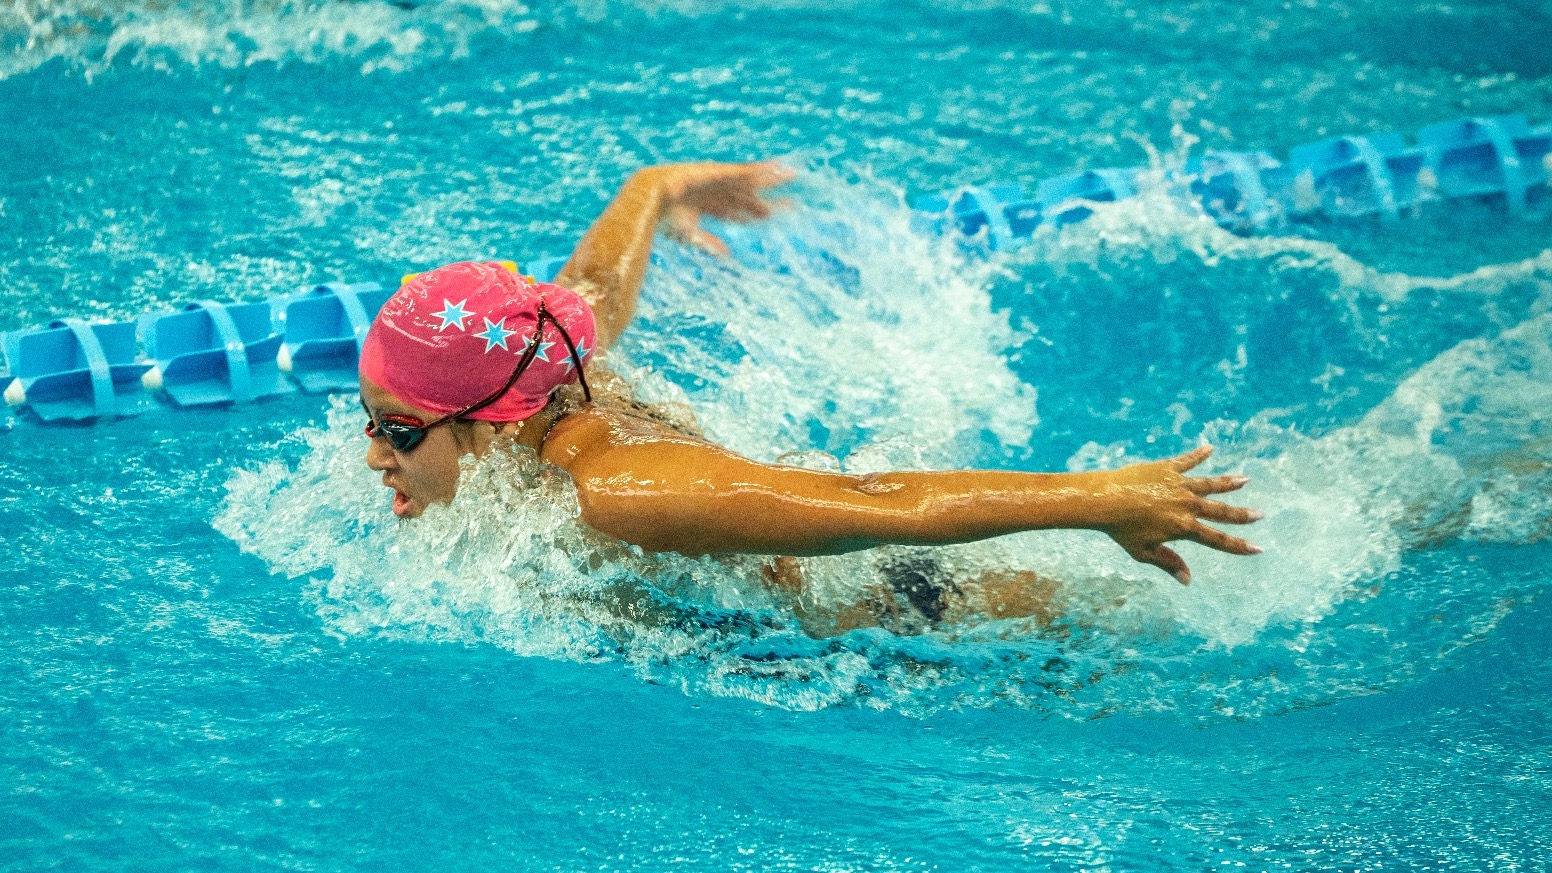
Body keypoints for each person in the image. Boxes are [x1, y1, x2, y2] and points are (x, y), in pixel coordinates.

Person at [358, 161, 1262, 631]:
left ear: (489, 416)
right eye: (370, 417)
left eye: (398, 429)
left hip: (907, 615)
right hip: (835, 577)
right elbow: (594, 281)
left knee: (1153, 624)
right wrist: (659, 186)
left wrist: (1104, 498)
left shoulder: (617, 488)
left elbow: (878, 504)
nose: (372, 454)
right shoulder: (545, 358)